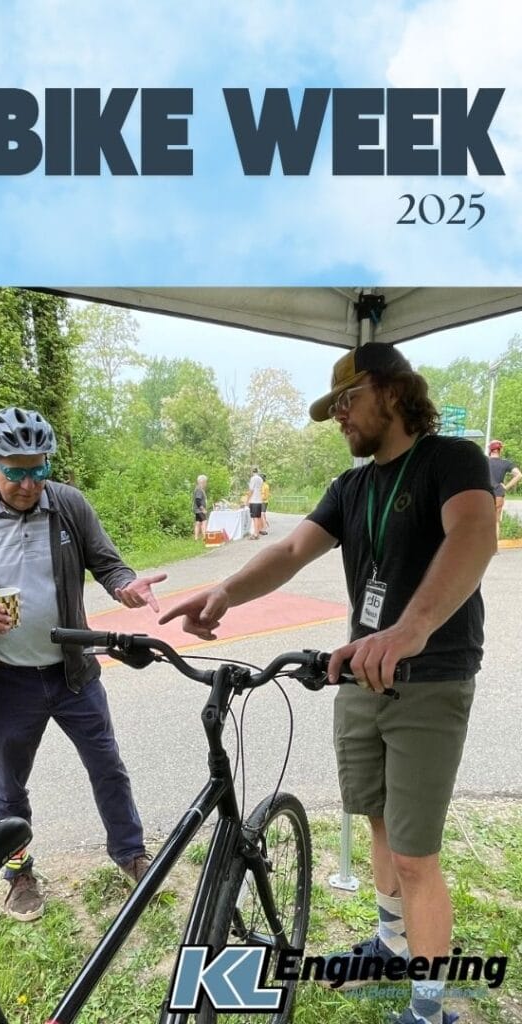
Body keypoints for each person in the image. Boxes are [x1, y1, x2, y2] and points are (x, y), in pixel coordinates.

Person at [158, 345, 495, 1024]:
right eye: (334, 407)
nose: (338, 418)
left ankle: (429, 1010)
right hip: (361, 677)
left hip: (429, 676)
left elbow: (476, 535)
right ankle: (390, 939)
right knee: (375, 817)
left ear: (392, 392)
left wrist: (413, 627)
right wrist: (224, 591)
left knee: (416, 852)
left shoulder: (450, 459)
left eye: (347, 401)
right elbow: (288, 549)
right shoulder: (353, 486)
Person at [0, 407, 165, 921]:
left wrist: (124, 585)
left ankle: (131, 855)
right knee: (8, 786)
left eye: (39, 469)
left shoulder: (67, 504)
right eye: (16, 471)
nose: (29, 483)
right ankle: (18, 873)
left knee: (108, 767)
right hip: (4, 680)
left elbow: (107, 561)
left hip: (71, 671)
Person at [486, 439, 521, 539]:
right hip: (498, 493)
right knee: (496, 521)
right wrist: (506, 487)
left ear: (490, 449)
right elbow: (519, 475)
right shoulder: (506, 463)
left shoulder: (483, 461)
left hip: (485, 494)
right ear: (500, 450)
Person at [247, 466, 265, 539]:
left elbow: (251, 490)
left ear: (252, 471)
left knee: (255, 518)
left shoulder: (253, 479)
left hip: (254, 500)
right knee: (258, 516)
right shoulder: (260, 479)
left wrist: (247, 500)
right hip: (259, 500)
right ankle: (257, 532)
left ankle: (256, 534)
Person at [192, 474, 209, 541]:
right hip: (199, 510)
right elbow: (198, 500)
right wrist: (203, 509)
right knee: (204, 522)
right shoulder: (199, 489)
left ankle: (196, 538)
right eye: (205, 482)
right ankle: (204, 537)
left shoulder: (198, 489)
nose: (206, 483)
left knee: (198, 523)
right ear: (202, 482)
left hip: (197, 510)